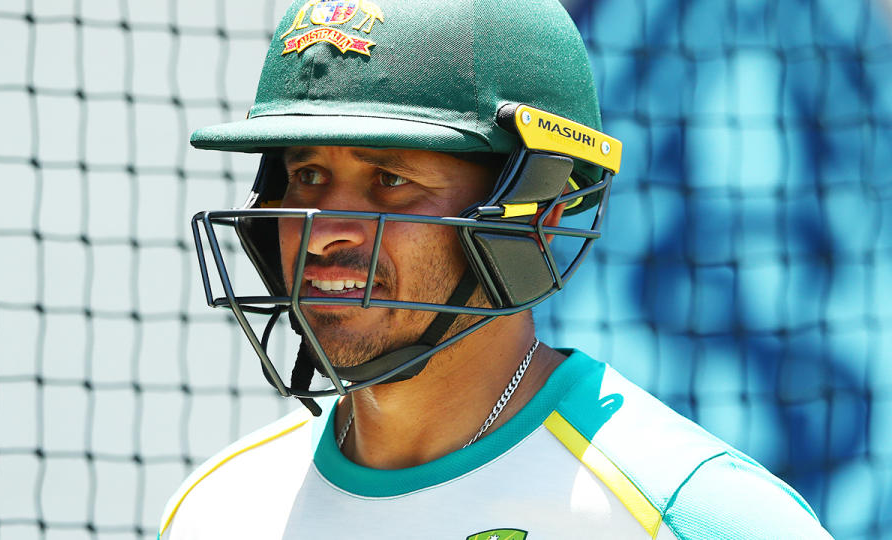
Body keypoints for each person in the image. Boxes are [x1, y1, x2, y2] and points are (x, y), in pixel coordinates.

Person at [158, 0, 832, 538]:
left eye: (389, 179)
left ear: (533, 210)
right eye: (306, 174)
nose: (323, 232)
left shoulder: (694, 514)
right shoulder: (216, 509)